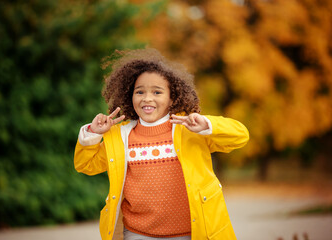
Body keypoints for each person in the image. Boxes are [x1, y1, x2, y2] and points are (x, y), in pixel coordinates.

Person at [74, 48, 249, 240]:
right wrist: (92, 134)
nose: (147, 98)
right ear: (130, 96)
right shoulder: (119, 136)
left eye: (157, 92)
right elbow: (86, 165)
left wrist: (208, 125)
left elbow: (240, 136)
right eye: (139, 92)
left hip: (193, 232)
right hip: (137, 234)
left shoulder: (191, 129)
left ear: (172, 98)